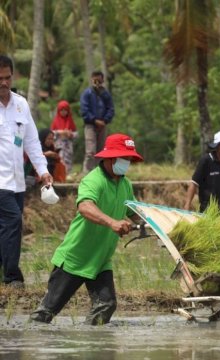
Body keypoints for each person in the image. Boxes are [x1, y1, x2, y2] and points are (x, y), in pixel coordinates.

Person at [30, 133, 143, 325]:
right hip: (76, 257)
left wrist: (158, 224)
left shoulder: (125, 184)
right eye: (125, 158)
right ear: (111, 158)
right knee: (46, 313)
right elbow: (85, 207)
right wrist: (113, 223)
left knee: (106, 305)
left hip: (100, 259)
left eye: (129, 158)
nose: (128, 162)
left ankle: (90, 346)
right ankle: (27, 342)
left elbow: (135, 213)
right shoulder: (93, 180)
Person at [0, 54, 53, 289]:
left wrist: (43, 170)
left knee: (6, 227)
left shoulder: (21, 105)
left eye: (7, 78)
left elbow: (31, 142)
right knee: (13, 221)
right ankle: (12, 277)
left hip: (17, 182)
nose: (3, 82)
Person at [184, 131, 220, 212]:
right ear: (217, 146)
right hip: (208, 210)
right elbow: (194, 183)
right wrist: (187, 205)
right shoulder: (206, 160)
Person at [80, 70, 114, 174]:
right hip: (90, 125)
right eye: (95, 80)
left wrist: (105, 121)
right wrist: (95, 120)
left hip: (103, 125)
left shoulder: (106, 94)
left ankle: (100, 173)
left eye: (99, 80)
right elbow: (84, 110)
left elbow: (111, 109)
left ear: (103, 80)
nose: (97, 82)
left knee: (101, 151)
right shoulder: (87, 93)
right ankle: (87, 173)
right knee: (90, 151)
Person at [50, 100, 77, 177]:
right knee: (60, 160)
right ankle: (60, 175)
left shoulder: (70, 120)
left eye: (65, 110)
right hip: (59, 145)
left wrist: (71, 134)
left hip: (68, 146)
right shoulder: (55, 121)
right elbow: (51, 133)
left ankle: (67, 175)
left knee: (68, 160)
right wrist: (60, 132)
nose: (63, 112)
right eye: (61, 110)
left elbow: (75, 133)